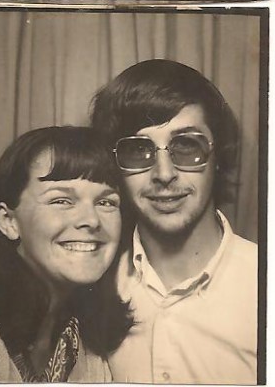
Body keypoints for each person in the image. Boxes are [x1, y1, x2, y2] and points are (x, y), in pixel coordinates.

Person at [91, 59, 258, 384]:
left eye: (187, 146)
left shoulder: (266, 283)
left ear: (219, 157)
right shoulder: (91, 282)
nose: (164, 174)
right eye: (138, 151)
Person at [0, 126, 133, 383]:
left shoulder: (86, 338)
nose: (91, 220)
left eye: (106, 202)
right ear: (9, 221)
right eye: (61, 201)